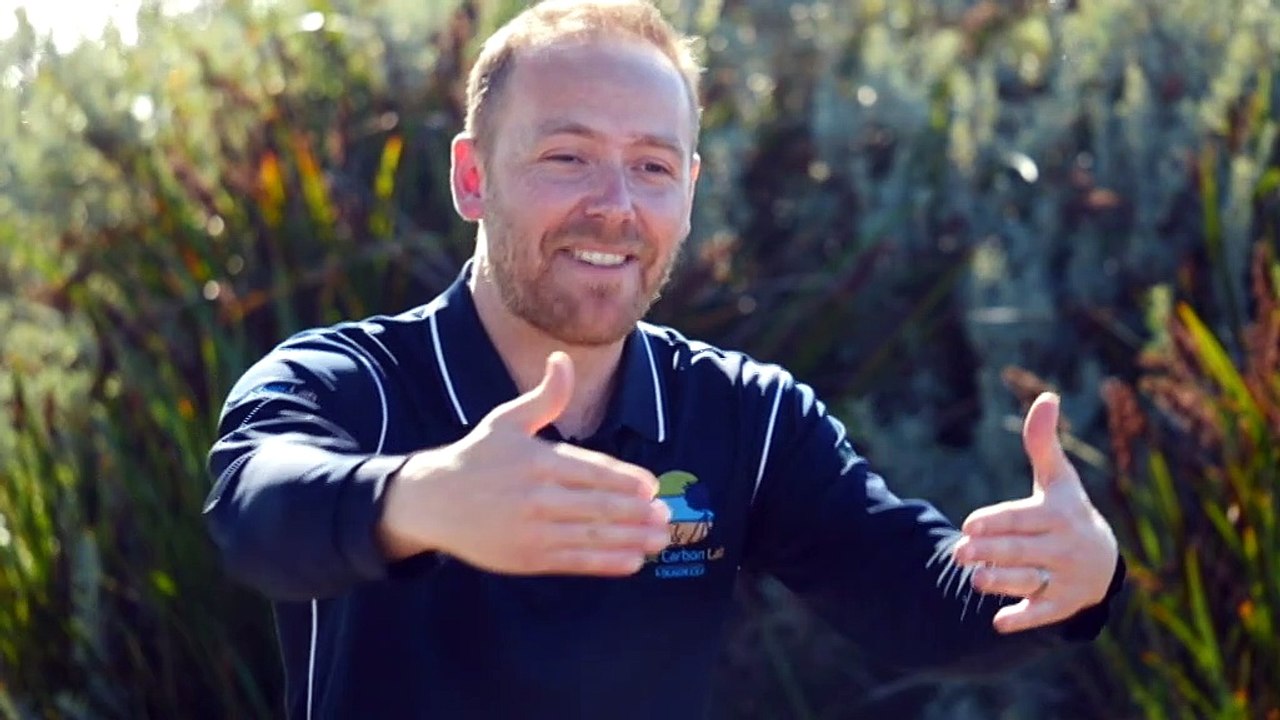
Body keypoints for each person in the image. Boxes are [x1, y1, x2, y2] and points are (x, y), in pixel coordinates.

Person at [203, 1, 1124, 718]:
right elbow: (254, 512)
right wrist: (419, 499)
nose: (614, 205)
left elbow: (912, 593)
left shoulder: (745, 419)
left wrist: (1067, 579)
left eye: (651, 166)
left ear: (688, 190)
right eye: (567, 156)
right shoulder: (345, 383)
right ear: (473, 176)